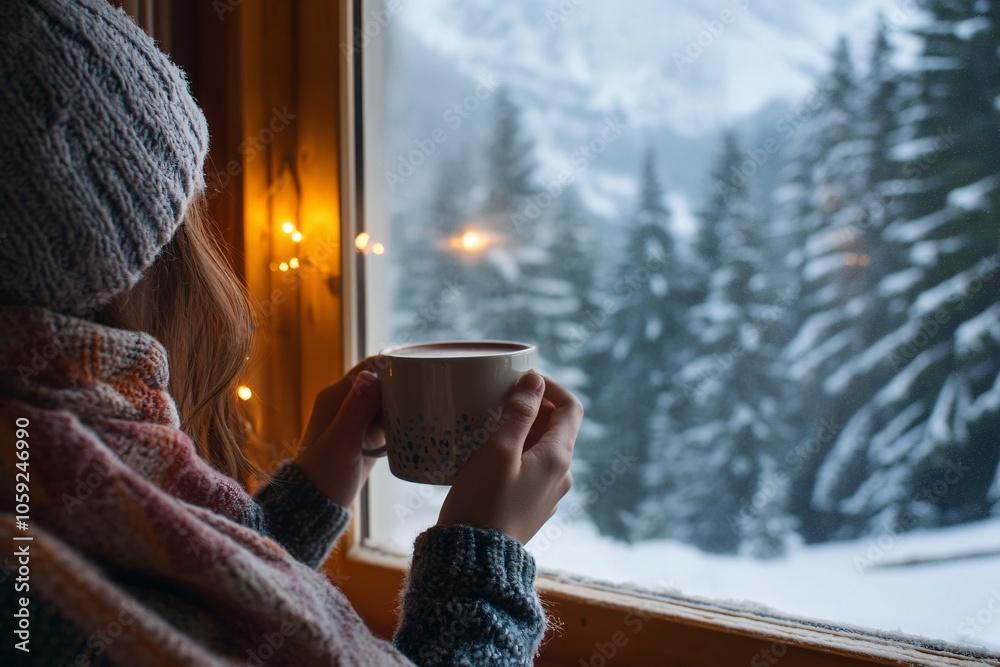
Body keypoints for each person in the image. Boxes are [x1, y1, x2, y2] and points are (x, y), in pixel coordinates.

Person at [0, 1, 581, 665]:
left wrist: (309, 497)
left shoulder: (50, 459)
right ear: (110, 262)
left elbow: (174, 595)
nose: (207, 249)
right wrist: (485, 559)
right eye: (188, 211)